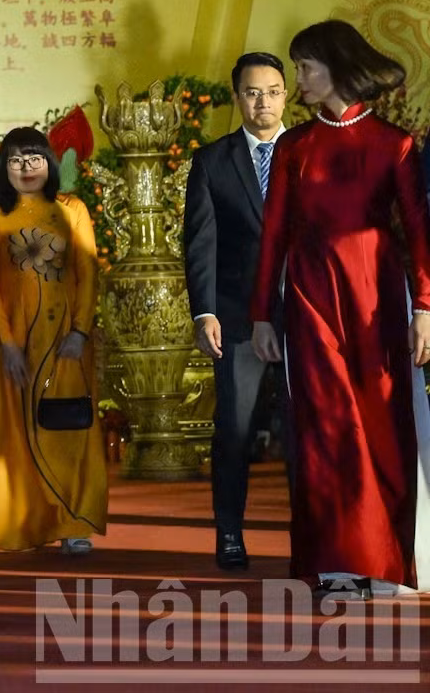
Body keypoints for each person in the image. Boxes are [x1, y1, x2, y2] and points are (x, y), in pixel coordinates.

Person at [251, 20, 430, 595]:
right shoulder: (294, 147)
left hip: (378, 294)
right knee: (325, 428)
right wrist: (260, 315)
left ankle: (383, 560)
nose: (295, 79)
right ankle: (335, 561)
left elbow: (420, 233)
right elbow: (273, 235)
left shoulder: (394, 144)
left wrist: (425, 306)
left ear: (336, 67)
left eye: (305, 67)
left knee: (383, 423)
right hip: (310, 294)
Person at [0, 126, 107, 555]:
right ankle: (25, 522)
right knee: (18, 432)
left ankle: (74, 523)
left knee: (69, 428)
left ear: (49, 163)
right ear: (2, 169)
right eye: (15, 160)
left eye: (34, 158)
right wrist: (8, 343)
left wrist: (80, 331)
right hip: (16, 345)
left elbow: (88, 273)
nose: (26, 168)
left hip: (68, 341)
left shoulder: (73, 210)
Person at [183, 51, 287, 570]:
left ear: (286, 94)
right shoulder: (213, 160)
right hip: (237, 315)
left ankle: (316, 538)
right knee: (235, 428)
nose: (262, 101)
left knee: (309, 430)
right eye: (252, 91)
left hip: (307, 313)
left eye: (272, 90)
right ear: (236, 97)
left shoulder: (310, 151)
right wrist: (205, 312)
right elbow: (201, 243)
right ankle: (229, 532)